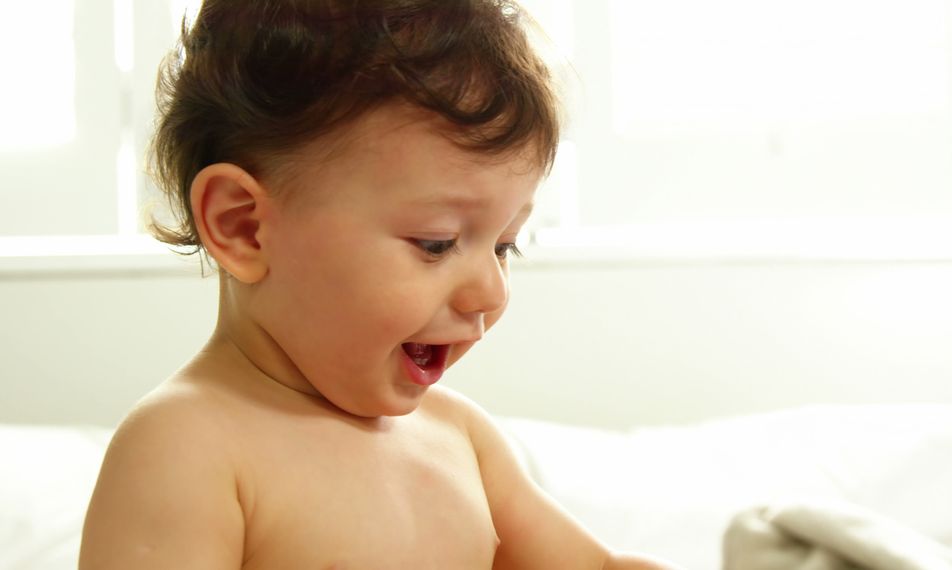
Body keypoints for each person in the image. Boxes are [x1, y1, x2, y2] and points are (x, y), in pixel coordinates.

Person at [79, 1, 678, 568]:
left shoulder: (460, 438)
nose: (491, 293)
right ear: (244, 227)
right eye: (437, 243)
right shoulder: (186, 449)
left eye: (504, 246)